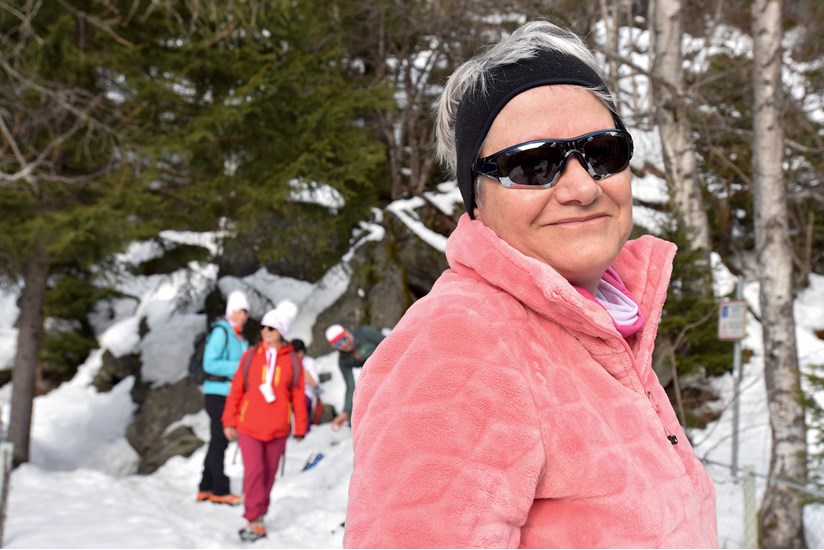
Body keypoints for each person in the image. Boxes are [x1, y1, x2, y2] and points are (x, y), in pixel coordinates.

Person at [344, 20, 718, 548]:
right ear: (476, 198)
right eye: (533, 165)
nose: (582, 187)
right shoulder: (460, 344)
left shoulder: (604, 326)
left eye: (603, 152)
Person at [222, 299, 308, 542]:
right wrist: (229, 420)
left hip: (278, 427)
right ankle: (253, 518)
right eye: (263, 327)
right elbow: (237, 389)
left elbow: (298, 395)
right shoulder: (250, 356)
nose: (265, 331)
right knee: (254, 472)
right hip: (248, 425)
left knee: (268, 475)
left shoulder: (293, 360)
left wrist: (300, 426)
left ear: (281, 331)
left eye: (271, 328)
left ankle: (260, 514)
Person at [196, 289, 250, 506]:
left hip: (229, 394)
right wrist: (241, 367)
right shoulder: (221, 332)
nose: (241, 316)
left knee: (217, 440)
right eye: (237, 311)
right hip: (218, 393)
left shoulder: (239, 337)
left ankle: (205, 486)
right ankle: (220, 489)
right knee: (220, 440)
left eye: (244, 312)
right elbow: (209, 363)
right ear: (230, 311)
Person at [324, 324, 384, 430]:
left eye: (344, 339)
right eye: (338, 344)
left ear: (347, 333)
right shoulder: (343, 360)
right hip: (376, 376)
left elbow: (390, 343)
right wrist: (345, 412)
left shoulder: (364, 333)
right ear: (334, 346)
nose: (344, 344)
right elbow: (350, 387)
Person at [291, 338, 321, 431]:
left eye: (299, 352)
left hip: (305, 393)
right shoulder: (286, 361)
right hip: (289, 393)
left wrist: (301, 368)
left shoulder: (308, 362)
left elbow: (315, 383)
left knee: (301, 405)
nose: (297, 355)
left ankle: (304, 430)